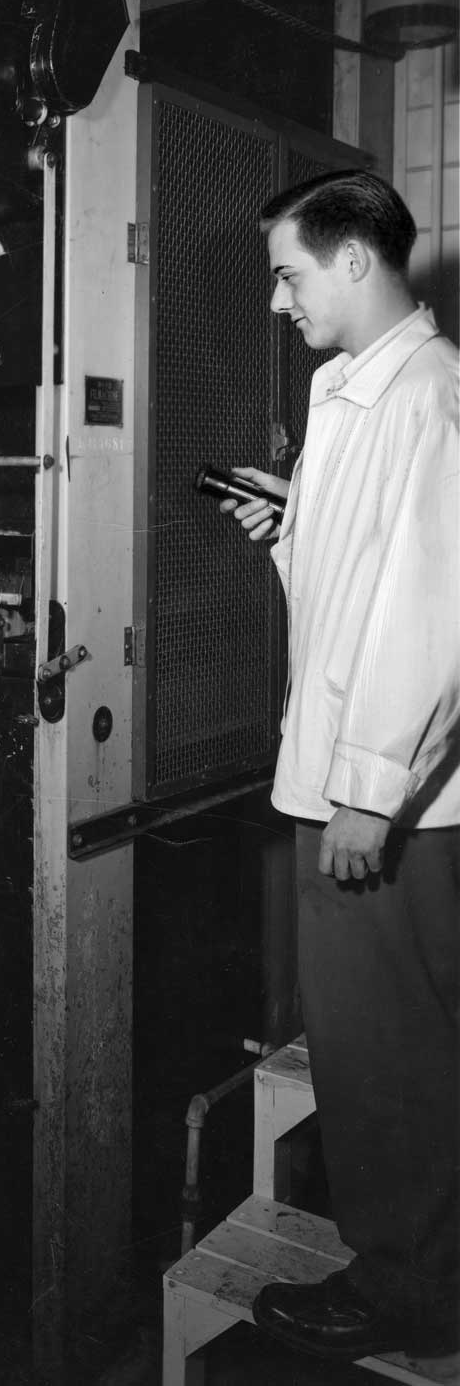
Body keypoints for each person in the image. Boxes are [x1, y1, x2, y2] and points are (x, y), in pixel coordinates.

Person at [220, 171, 459, 1364]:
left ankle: (416, 1299)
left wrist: (370, 791)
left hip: (389, 802)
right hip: (345, 782)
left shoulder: (433, 396)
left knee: (392, 1057)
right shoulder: (344, 392)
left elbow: (433, 613)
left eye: (289, 273)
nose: (277, 302)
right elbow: (355, 585)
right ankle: (415, 1271)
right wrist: (292, 532)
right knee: (376, 1049)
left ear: (355, 261)